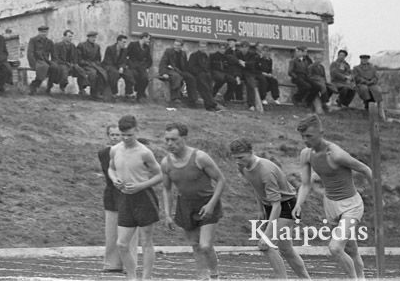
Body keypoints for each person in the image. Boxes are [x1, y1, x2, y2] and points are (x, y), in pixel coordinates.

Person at [292, 114, 373, 279]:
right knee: (351, 249)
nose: (305, 140)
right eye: (303, 136)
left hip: (351, 205)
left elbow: (366, 169)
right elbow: (306, 184)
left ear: (321, 133)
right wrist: (298, 204)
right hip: (330, 205)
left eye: (309, 136)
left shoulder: (336, 154)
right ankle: (361, 277)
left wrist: (378, 196)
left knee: (335, 248)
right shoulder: (306, 154)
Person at [229, 137, 310, 279]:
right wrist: (260, 209)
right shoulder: (242, 166)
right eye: (235, 158)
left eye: (241, 157)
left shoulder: (266, 170)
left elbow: (277, 205)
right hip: (270, 206)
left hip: (286, 206)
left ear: (251, 152)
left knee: (267, 245)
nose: (238, 161)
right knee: (286, 249)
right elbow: (257, 187)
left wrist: (266, 235)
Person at [161, 123, 226, 280]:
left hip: (206, 203)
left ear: (184, 138)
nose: (170, 144)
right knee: (195, 245)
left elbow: (221, 180)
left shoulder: (200, 157)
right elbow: (167, 189)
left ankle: (215, 275)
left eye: (174, 139)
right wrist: (167, 214)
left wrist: (211, 204)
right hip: (186, 205)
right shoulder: (166, 163)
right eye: (167, 140)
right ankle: (202, 277)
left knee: (205, 245)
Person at [108, 115, 162, 281]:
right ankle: (132, 277)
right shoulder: (115, 149)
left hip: (144, 197)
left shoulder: (145, 152)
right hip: (125, 198)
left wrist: (141, 185)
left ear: (136, 131)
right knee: (122, 244)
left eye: (130, 135)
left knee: (146, 242)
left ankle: (146, 278)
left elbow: (160, 175)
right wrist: (114, 178)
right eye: (123, 135)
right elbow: (111, 169)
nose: (126, 138)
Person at [98, 125, 138, 273]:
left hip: (129, 192)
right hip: (112, 193)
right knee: (111, 231)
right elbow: (109, 173)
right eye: (112, 134)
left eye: (117, 134)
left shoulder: (134, 151)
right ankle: (111, 263)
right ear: (108, 136)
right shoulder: (103, 153)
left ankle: (130, 265)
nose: (115, 137)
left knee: (130, 232)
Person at [158, 39, 198, 106]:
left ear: (181, 46)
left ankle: (192, 100)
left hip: (180, 71)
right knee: (177, 77)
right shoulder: (168, 51)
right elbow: (163, 63)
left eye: (178, 45)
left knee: (191, 78)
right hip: (170, 70)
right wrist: (163, 73)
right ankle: (175, 98)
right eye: (175, 45)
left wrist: (192, 72)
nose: (176, 46)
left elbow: (185, 66)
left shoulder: (183, 53)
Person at [50, 30, 86, 94]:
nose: (71, 38)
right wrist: (66, 63)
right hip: (61, 64)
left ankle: (82, 88)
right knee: (64, 70)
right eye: (69, 36)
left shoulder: (72, 46)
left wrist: (74, 64)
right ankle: (62, 87)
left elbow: (75, 57)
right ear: (64, 37)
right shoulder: (58, 45)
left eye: (71, 37)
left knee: (81, 70)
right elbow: (55, 58)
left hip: (71, 64)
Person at [188, 41, 220, 111]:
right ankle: (211, 105)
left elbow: (208, 66)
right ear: (199, 47)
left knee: (209, 88)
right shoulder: (194, 55)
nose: (203, 48)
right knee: (204, 88)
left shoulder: (206, 56)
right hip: (198, 75)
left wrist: (208, 73)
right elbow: (191, 67)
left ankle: (210, 105)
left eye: (204, 47)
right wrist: (200, 71)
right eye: (201, 46)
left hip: (206, 75)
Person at [102, 35, 135, 100]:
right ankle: (114, 93)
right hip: (109, 66)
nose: (124, 44)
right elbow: (108, 61)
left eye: (125, 42)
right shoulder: (110, 48)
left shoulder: (125, 50)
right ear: (118, 41)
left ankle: (128, 93)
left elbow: (124, 61)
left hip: (118, 67)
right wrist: (117, 69)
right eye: (123, 42)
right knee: (114, 73)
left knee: (129, 74)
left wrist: (122, 67)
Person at [77, 31, 108, 100]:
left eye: (95, 37)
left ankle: (97, 92)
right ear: (88, 37)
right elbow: (79, 59)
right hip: (84, 65)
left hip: (94, 65)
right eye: (92, 37)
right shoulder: (82, 45)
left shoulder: (97, 46)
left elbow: (98, 58)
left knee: (102, 73)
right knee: (93, 73)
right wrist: (87, 63)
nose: (94, 39)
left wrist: (96, 64)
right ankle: (90, 91)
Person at [27, 25, 55, 95]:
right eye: (42, 32)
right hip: (37, 61)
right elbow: (30, 53)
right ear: (39, 32)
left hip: (46, 61)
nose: (44, 34)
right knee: (43, 67)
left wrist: (53, 62)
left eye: (45, 32)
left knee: (55, 68)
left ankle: (49, 87)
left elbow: (53, 54)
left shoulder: (49, 42)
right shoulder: (33, 40)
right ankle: (34, 86)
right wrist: (33, 64)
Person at [126, 33, 153, 102]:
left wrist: (146, 67)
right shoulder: (133, 44)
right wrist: (128, 64)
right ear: (144, 37)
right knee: (134, 76)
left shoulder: (147, 47)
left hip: (141, 67)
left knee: (145, 78)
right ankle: (130, 95)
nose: (149, 41)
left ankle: (140, 95)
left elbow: (149, 60)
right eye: (148, 39)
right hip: (132, 66)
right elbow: (125, 55)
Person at [241, 42, 265, 111]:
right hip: (239, 73)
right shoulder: (238, 54)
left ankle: (251, 104)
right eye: (243, 47)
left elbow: (252, 64)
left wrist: (244, 63)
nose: (244, 49)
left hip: (248, 73)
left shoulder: (251, 55)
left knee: (251, 84)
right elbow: (235, 62)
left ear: (248, 48)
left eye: (246, 47)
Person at [224, 38, 244, 102]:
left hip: (238, 69)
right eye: (229, 42)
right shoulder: (227, 51)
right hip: (230, 69)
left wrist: (240, 62)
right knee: (231, 82)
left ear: (235, 43)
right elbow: (228, 60)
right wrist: (237, 61)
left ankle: (239, 98)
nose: (230, 43)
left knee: (239, 82)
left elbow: (242, 61)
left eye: (231, 42)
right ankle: (230, 97)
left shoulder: (239, 52)